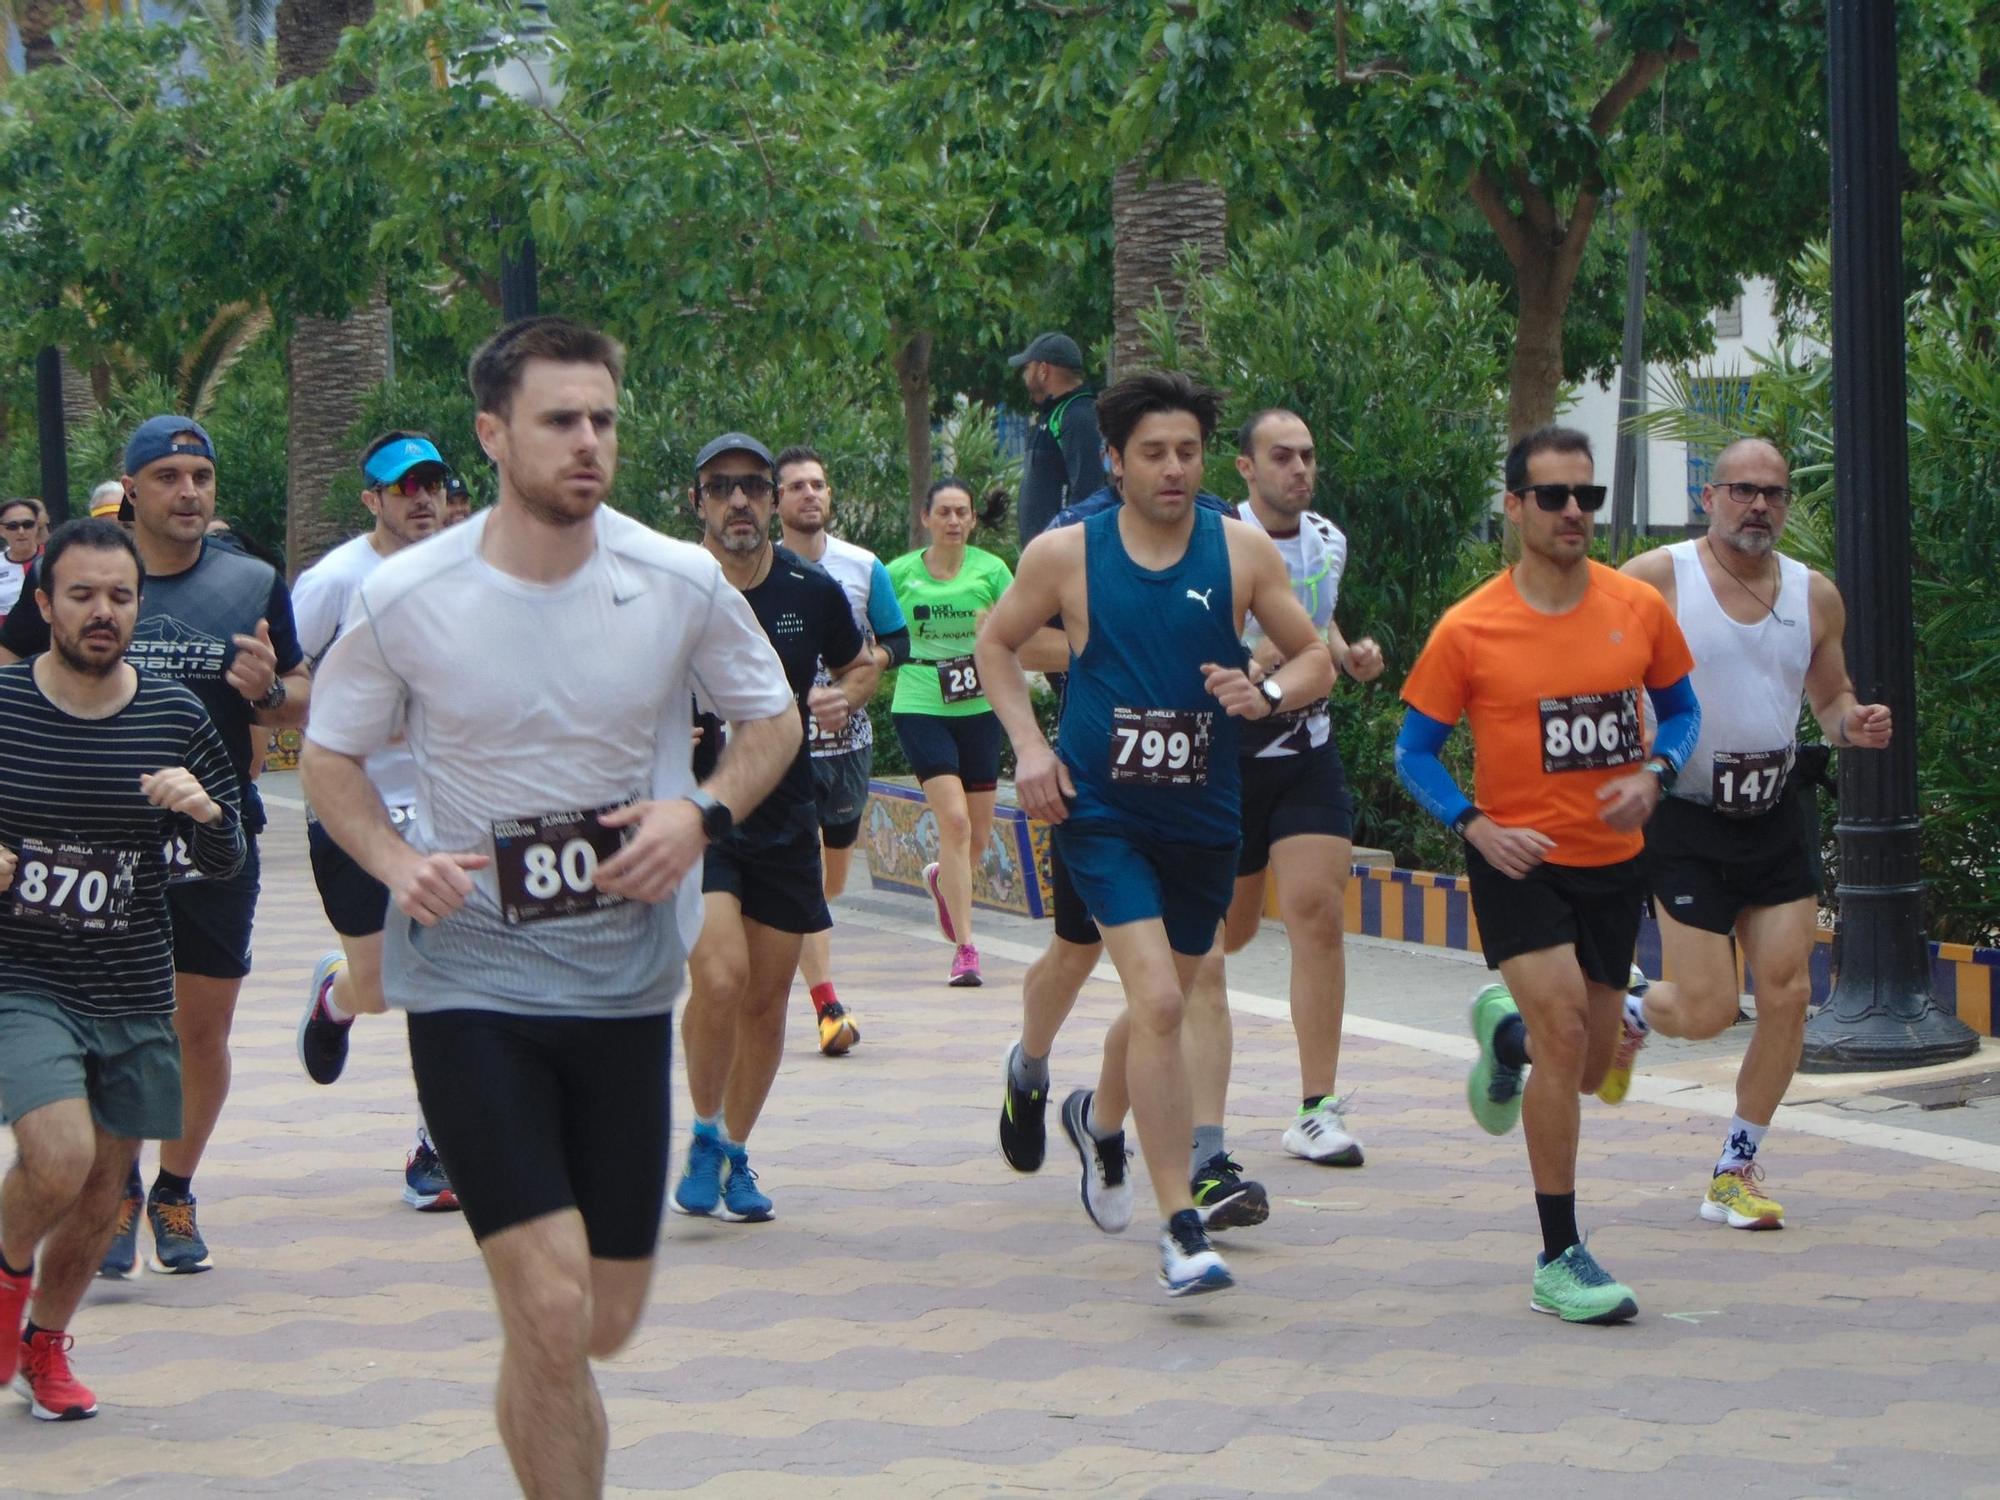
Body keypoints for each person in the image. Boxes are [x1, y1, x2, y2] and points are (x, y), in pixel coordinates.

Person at [302, 318, 799, 1498]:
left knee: (603, 1320)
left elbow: (769, 721)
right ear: (493, 433)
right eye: (559, 421)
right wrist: (390, 858)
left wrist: (701, 817)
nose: (587, 443)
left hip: (624, 984)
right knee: (549, 1299)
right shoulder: (409, 593)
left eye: (602, 420)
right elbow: (327, 756)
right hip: (469, 978)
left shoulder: (675, 579)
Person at [976, 370, 1334, 1297]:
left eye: (1187, 452)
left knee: (1156, 1009)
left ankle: (1099, 1118)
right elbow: (994, 643)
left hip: (1205, 818)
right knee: (1165, 1006)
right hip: (1101, 814)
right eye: (1153, 454)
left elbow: (1312, 657)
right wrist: (1028, 747)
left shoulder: (1244, 552)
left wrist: (1266, 695)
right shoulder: (1067, 554)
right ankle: (1181, 1225)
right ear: (1114, 461)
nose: (1174, 469)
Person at [1395, 424, 1700, 1325]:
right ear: (1516, 505)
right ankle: (1559, 1254)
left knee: (1594, 1060)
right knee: (1568, 1035)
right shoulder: (1470, 626)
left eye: (1588, 497)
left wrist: (1657, 775)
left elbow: (1681, 712)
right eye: (1557, 497)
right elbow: (1416, 751)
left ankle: (1505, 1042)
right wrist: (1474, 825)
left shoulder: (1635, 607)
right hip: (1518, 861)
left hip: (1615, 865)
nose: (1576, 513)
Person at [0, 416, 309, 1280]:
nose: (188, 491)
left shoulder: (249, 578)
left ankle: (172, 1188)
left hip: (211, 836)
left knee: (199, 1029)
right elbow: (13, 666)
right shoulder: (89, 572)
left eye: (201, 476)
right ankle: (113, 1182)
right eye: (169, 475)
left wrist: (274, 689)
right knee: (96, 1016)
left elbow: (301, 693)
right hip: (89, 843)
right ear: (131, 487)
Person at [0, 518, 244, 1421]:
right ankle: (4, 1288)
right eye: (81, 595)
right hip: (23, 979)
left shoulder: (175, 716)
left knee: (105, 1188)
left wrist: (208, 817)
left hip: (133, 987)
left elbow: (229, 864)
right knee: (57, 1154)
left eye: (119, 596)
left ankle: (45, 1346)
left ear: (139, 606)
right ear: (44, 605)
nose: (102, 612)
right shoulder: (6, 706)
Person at [1613, 438, 1890, 1229]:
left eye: (1773, 493)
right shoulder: (1659, 578)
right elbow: (1597, 661)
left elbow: (1830, 696)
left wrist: (1852, 724)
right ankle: (1634, 1010)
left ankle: (1737, 1165)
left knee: (1789, 990)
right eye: (1742, 490)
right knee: (1704, 1011)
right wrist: (1629, 728)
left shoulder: (1815, 594)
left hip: (1773, 809)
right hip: (1688, 814)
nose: (1758, 505)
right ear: (1711, 496)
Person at [1174, 409, 1386, 1233]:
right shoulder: (1212, 538)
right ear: (1245, 468)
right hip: (1223, 760)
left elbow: (1318, 629)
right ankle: (1158, 1060)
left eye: (1308, 456)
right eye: (1282, 457)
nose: (1300, 469)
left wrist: (1347, 652)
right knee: (1219, 941)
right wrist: (1251, 664)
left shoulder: (1326, 541)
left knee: (1317, 914)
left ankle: (1316, 1106)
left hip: (1304, 750)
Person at [675, 434, 875, 1223]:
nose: (738, 502)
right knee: (718, 976)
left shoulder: (809, 589)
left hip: (787, 813)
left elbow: (863, 662)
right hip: (697, 817)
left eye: (753, 487)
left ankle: (731, 1148)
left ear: (771, 499)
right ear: (697, 502)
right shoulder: (668, 586)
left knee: (765, 1001)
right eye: (721, 487)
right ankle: (699, 1127)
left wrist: (846, 696)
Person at [291, 431, 456, 1210]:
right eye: (403, 488)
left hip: (448, 810)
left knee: (445, 975)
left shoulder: (472, 573)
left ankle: (437, 1149)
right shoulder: (334, 582)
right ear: (372, 500)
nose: (420, 499)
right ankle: (337, 996)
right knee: (383, 983)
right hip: (355, 808)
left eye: (432, 484)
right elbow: (282, 685)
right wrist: (352, 714)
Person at [774, 444, 909, 1055]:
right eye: (797, 486)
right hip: (783, 751)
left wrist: (857, 673)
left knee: (829, 884)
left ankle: (798, 951)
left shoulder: (862, 565)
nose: (810, 494)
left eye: (818, 485)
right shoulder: (758, 570)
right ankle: (827, 1003)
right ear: (777, 500)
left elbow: (899, 641)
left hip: (849, 746)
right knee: (803, 880)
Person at [887, 478, 1014, 987]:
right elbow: (875, 626)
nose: (954, 521)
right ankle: (966, 948)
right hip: (920, 700)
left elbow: (1020, 624)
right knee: (956, 824)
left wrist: (995, 631)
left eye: (962, 512)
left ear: (973, 519)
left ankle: (942, 878)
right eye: (944, 512)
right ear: (926, 518)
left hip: (980, 706)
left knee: (977, 837)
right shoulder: (898, 574)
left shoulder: (992, 571)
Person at [1010, 332, 1102, 546]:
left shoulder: (1078, 416)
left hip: (1064, 558)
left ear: (1043, 370)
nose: (1024, 377)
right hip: (1043, 558)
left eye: (1027, 368)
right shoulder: (1052, 415)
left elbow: (1089, 492)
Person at [0, 497, 47, 619]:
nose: (21, 531)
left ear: (37, 526)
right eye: (12, 526)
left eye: (28, 525)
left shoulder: (55, 558)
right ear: (1, 530)